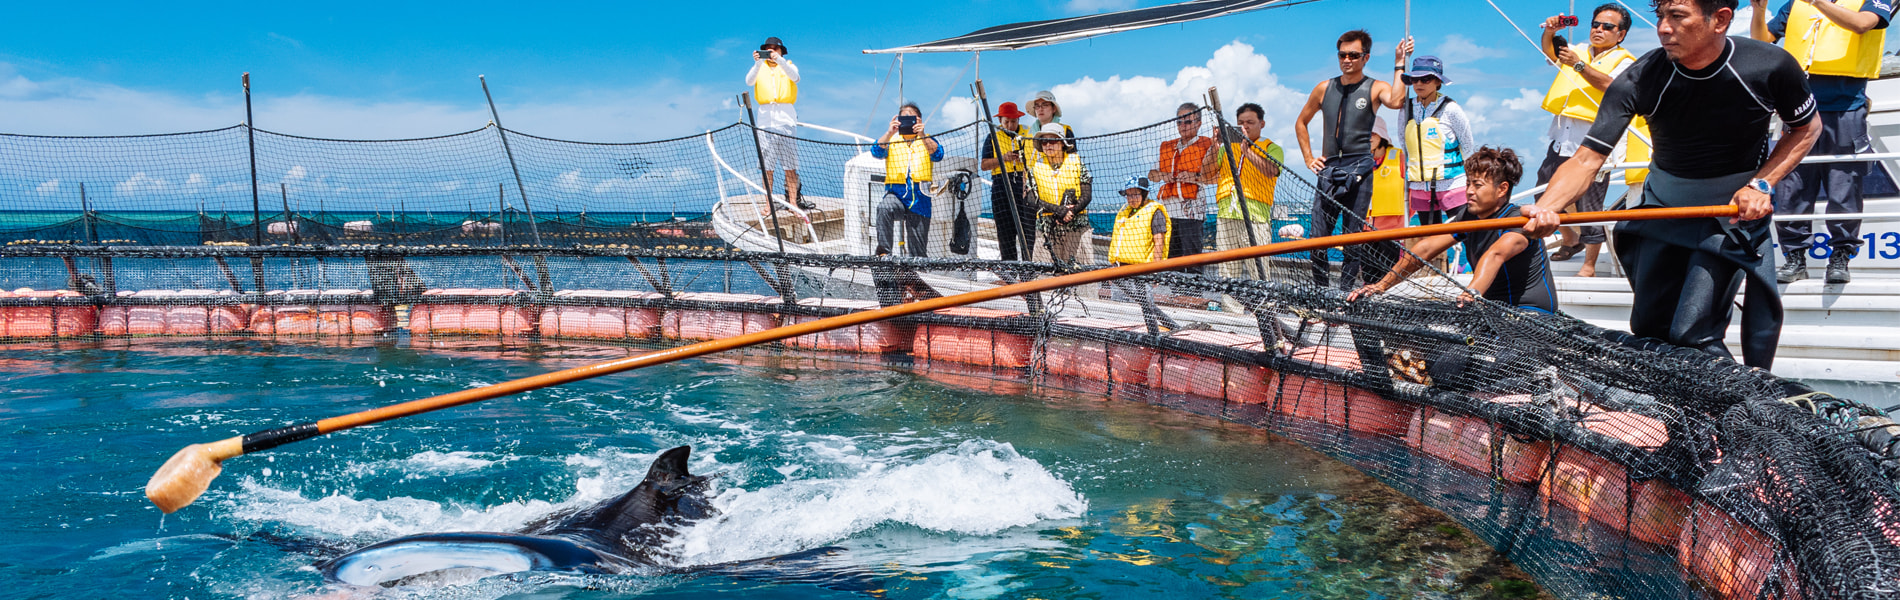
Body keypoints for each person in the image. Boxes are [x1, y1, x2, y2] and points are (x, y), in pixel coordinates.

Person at [1524, 0, 1822, 370]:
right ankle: (1680, 422)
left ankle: (1741, 413)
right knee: (1649, 330)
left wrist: (1762, 184)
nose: (1664, 28)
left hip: (1726, 217)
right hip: (1662, 210)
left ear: (1721, 19)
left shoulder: (1769, 65)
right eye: (1661, 17)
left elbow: (1807, 128)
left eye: (1677, 16)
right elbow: (1587, 158)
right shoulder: (1641, 76)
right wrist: (1547, 206)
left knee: (1691, 333)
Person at [1752, 0, 1893, 283]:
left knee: (1844, 187)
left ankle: (1840, 256)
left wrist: (1817, 2)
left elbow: (1863, 23)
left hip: (1845, 108)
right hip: (1797, 108)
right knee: (1792, 187)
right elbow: (1763, 40)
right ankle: (1794, 258)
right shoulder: (1795, 5)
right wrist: (1758, 10)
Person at [1352, 147, 1556, 312]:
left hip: (1531, 311)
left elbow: (1495, 254)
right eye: (1468, 183)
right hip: (1494, 310)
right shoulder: (1469, 216)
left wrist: (1471, 294)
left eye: (1477, 185)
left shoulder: (1518, 221)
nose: (1468, 191)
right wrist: (1381, 286)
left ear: (1502, 189)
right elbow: (1425, 249)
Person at [1536, 5, 1646, 277]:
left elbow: (1612, 86)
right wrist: (1550, 32)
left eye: (1607, 27)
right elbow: (1550, 55)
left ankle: (1589, 265)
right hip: (1563, 135)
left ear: (1620, 34)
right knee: (1543, 193)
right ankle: (1572, 240)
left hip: (1597, 139)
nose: (1599, 30)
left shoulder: (1626, 61)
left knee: (1590, 204)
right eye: (1596, 24)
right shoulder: (1579, 49)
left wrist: (1578, 64)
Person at [1295, 29, 1408, 289]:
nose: (1347, 60)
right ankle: (1321, 292)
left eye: (1353, 55)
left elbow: (1397, 100)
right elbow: (1301, 122)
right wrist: (1309, 158)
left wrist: (1400, 63)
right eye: (1342, 55)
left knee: (1353, 238)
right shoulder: (1324, 88)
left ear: (1365, 57)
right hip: (1330, 167)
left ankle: (1345, 294)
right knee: (1317, 238)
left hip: (1360, 167)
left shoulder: (1375, 87)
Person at [1202, 102, 1282, 282]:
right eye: (1241, 122)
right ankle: (1230, 309)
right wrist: (1214, 147)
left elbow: (1272, 170)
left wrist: (1247, 151)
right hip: (1226, 215)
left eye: (1250, 122)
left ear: (1262, 124)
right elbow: (1206, 176)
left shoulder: (1271, 148)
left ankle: (1264, 308)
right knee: (1227, 272)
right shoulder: (1227, 147)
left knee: (1259, 270)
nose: (1245, 126)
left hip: (1256, 218)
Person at [1392, 53, 1475, 227]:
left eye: (1426, 79)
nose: (1419, 84)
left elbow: (1468, 146)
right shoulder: (1405, 110)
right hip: (1420, 187)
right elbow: (1404, 143)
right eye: (1415, 80)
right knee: (1430, 237)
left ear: (1438, 82)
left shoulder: (1451, 109)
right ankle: (1439, 257)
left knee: (1465, 233)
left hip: (1452, 183)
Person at [744, 37, 813, 211]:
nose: (771, 51)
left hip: (786, 121)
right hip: (765, 122)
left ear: (781, 51)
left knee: (790, 167)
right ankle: (768, 205)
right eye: (768, 49)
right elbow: (749, 81)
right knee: (767, 168)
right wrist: (758, 63)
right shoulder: (759, 68)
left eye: (775, 49)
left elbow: (795, 77)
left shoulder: (789, 65)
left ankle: (792, 203)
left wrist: (779, 60)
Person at [1108, 176, 1182, 333]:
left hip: (1142, 270)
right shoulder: (1124, 212)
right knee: (1125, 304)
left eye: (1135, 194)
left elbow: (1159, 241)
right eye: (1129, 195)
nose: (1131, 198)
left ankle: (1154, 333)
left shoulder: (1154, 212)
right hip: (1121, 269)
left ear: (1144, 194)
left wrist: (1155, 269)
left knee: (1147, 305)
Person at [870, 103, 943, 257]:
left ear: (919, 120)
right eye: (904, 117)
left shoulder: (928, 139)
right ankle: (884, 254)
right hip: (896, 194)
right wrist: (889, 133)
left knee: (918, 250)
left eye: (912, 117)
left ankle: (916, 274)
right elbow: (876, 151)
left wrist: (922, 134)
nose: (908, 121)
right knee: (884, 208)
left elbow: (938, 155)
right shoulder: (891, 140)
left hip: (920, 198)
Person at [1148, 103, 1216, 270]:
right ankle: (1174, 295)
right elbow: (1152, 175)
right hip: (1168, 211)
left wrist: (1195, 178)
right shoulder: (1167, 146)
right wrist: (1164, 176)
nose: (1182, 126)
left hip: (1191, 212)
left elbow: (1216, 178)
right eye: (1179, 122)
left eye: (1187, 122)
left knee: (1192, 259)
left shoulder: (1209, 146)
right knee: (1171, 259)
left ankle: (1194, 295)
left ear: (1198, 123)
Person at [1027, 123, 1093, 264]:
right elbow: (1032, 199)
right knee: (1045, 277)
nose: (1048, 145)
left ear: (1062, 143)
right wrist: (1058, 210)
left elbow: (1087, 195)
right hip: (1046, 229)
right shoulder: (1035, 169)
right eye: (1044, 141)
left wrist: (1071, 212)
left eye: (1053, 140)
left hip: (1077, 227)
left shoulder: (1077, 163)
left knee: (1081, 275)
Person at [980, 102, 1038, 261]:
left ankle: (1029, 269)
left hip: (1024, 183)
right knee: (1005, 231)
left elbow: (1037, 158)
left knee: (1027, 230)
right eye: (1006, 122)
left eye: (1013, 121)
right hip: (1001, 185)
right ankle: (1009, 270)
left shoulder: (1029, 134)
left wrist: (1023, 159)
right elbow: (984, 165)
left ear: (1018, 120)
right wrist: (1003, 158)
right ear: (1000, 121)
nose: (1010, 125)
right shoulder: (992, 136)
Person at [1366, 117, 1411, 232]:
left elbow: (1413, 191)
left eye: (1373, 133)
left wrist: (1402, 219)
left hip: (1393, 229)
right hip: (1363, 228)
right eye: (1365, 133)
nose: (1369, 137)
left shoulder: (1400, 159)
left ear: (1382, 135)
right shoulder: (1356, 162)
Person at [1022, 91, 1078, 156]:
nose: (1040, 109)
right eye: (1037, 106)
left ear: (1054, 108)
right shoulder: (1027, 134)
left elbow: (1073, 157)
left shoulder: (1065, 130)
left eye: (1045, 105)